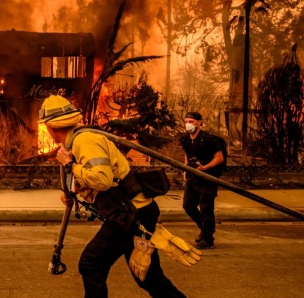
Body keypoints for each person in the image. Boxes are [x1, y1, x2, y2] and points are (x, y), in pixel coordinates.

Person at [39, 95, 186, 298]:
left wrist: (69, 165)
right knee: (147, 276)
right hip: (133, 211)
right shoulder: (74, 142)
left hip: (131, 214)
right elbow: (92, 176)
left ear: (50, 126)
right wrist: (73, 192)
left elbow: (102, 179)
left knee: (91, 264)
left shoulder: (85, 140)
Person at [180, 112, 224, 249]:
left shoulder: (208, 139)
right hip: (193, 177)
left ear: (199, 122)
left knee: (206, 208)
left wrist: (205, 168)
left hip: (208, 177)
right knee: (188, 206)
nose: (188, 124)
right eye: (186, 121)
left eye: (191, 121)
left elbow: (219, 157)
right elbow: (187, 155)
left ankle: (208, 238)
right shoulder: (185, 139)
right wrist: (185, 169)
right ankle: (204, 229)